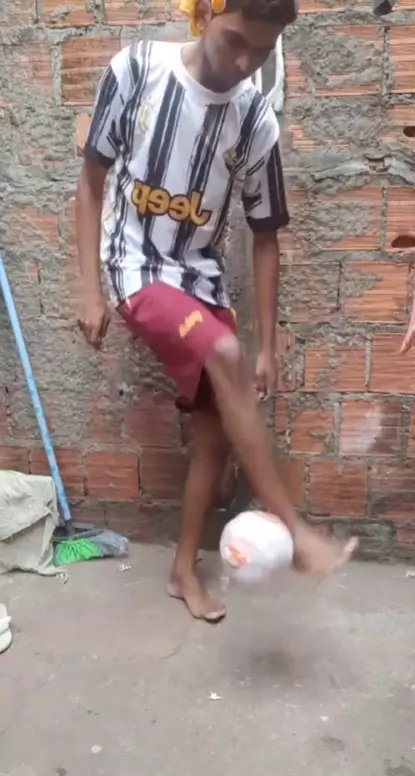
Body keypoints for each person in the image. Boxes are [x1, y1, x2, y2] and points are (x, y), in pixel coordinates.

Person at [76, 0, 357, 622]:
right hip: (135, 267)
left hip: (201, 283)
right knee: (224, 353)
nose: (245, 62)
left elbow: (265, 236)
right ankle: (295, 530)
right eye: (235, 41)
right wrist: (90, 289)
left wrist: (267, 345)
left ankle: (184, 571)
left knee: (214, 435)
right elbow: (92, 182)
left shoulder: (255, 119)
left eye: (262, 51)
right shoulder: (135, 72)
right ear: (204, 15)